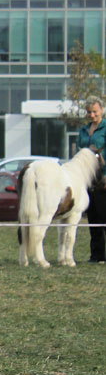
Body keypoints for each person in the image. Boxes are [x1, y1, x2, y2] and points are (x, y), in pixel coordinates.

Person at [79, 96, 106, 264]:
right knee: (93, 218)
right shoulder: (83, 130)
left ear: (101, 110)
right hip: (87, 180)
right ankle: (96, 255)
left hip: (103, 178)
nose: (92, 115)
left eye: (95, 111)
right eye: (89, 112)